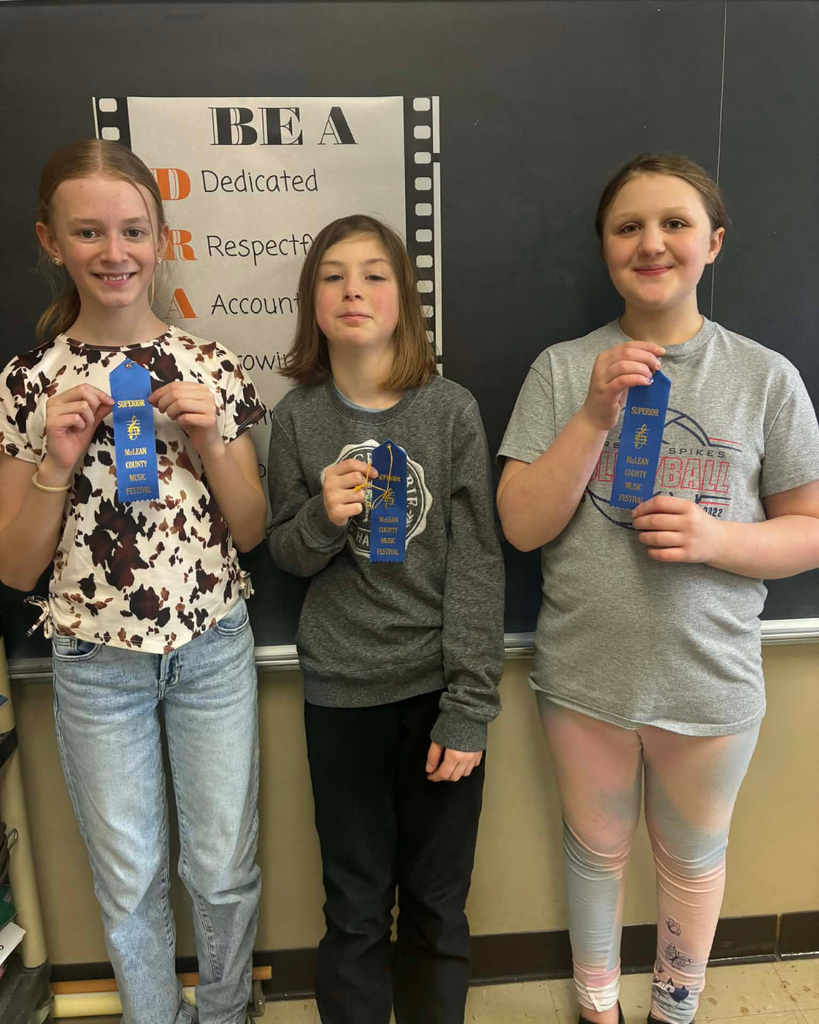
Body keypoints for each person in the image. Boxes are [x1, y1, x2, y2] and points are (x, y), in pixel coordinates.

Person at [497, 153, 819, 1024]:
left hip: (706, 678)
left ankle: (674, 1008)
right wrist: (595, 415)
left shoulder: (764, 378)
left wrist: (718, 539)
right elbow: (520, 524)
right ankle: (594, 1007)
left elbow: (809, 531)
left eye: (674, 223)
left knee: (690, 858)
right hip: (585, 675)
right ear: (604, 248)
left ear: (712, 243)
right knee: (594, 852)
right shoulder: (563, 370)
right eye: (627, 226)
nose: (651, 243)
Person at [0, 139, 267, 1024]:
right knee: (128, 879)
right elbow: (14, 565)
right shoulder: (26, 383)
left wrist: (214, 441)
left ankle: (225, 1014)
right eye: (88, 232)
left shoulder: (213, 365)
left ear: (160, 239)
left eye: (131, 231)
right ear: (51, 241)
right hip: (94, 659)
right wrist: (55, 459)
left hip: (211, 648)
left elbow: (256, 528)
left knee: (223, 867)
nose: (113, 252)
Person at [266, 214, 504, 1024]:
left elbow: (477, 562)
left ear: (404, 298)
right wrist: (320, 522)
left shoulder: (451, 412)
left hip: (437, 695)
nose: (352, 291)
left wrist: (469, 706)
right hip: (340, 694)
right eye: (332, 275)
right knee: (355, 908)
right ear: (312, 300)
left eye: (373, 274)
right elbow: (285, 556)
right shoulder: (297, 419)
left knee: (436, 906)